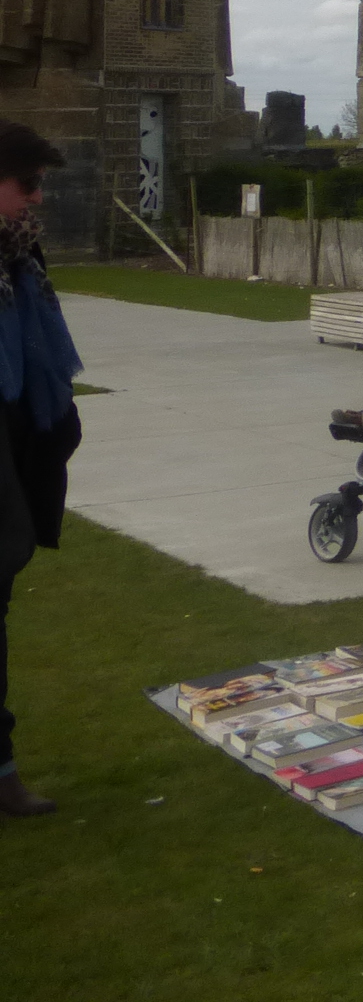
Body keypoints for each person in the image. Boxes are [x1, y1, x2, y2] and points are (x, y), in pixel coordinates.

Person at [0, 123, 80, 819]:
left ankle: (2, 776)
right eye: (26, 183)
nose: (37, 198)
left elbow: (44, 370)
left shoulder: (21, 258)